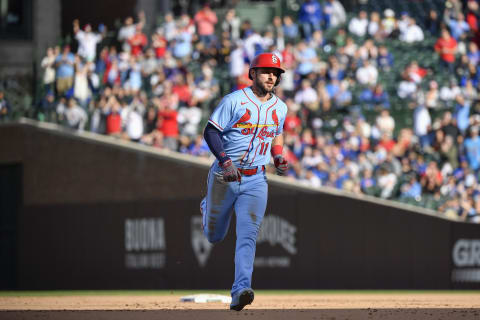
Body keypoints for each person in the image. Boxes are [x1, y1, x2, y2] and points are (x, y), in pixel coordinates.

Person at [200, 52, 288, 311]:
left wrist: (278, 155)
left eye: (275, 73)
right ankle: (207, 207)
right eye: (265, 71)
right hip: (225, 175)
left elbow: (277, 135)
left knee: (247, 237)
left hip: (256, 179)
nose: (271, 76)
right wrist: (226, 161)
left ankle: (240, 290)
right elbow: (211, 131)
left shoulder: (280, 107)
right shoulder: (235, 100)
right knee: (214, 236)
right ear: (252, 73)